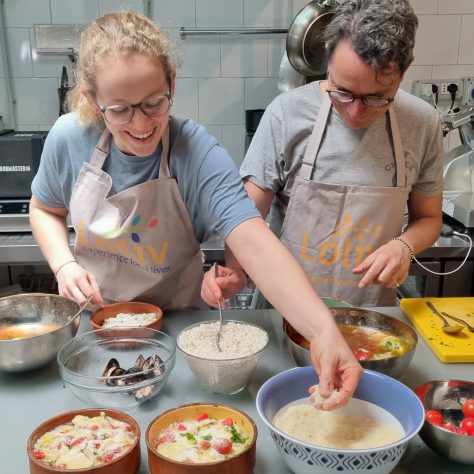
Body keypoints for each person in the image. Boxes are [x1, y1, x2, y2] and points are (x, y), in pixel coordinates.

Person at [29, 11, 362, 408]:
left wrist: (324, 334)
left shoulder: (196, 151)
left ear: (172, 81)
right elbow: (45, 209)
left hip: (182, 328)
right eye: (119, 110)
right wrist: (64, 265)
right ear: (92, 99)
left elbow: (254, 242)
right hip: (96, 327)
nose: (140, 124)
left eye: (154, 102)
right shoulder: (69, 139)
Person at [203, 0, 443, 308]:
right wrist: (235, 270)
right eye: (342, 90)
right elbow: (246, 215)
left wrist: (404, 246)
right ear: (328, 62)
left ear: (402, 74)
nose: (355, 111)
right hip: (284, 311)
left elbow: (429, 218)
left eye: (375, 97)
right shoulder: (286, 114)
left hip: (369, 316)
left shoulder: (421, 122)